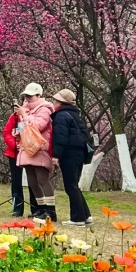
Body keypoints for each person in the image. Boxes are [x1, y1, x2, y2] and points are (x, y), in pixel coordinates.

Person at [50, 89, 91, 226]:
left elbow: (60, 137)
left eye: (55, 100)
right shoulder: (75, 115)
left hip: (69, 154)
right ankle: (86, 215)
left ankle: (77, 219)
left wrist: (56, 155)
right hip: (79, 153)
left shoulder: (61, 116)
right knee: (74, 185)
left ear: (60, 102)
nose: (53, 103)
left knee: (71, 186)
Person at [16, 83, 56, 221]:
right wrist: (18, 132)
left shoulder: (45, 109)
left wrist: (24, 115)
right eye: (26, 96)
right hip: (27, 149)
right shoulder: (26, 110)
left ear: (38, 95)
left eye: (30, 96)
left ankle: (51, 211)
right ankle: (41, 209)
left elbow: (38, 126)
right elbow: (23, 127)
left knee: (42, 179)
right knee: (32, 181)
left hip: (39, 148)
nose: (27, 99)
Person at [2, 103, 34, 217]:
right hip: (14, 153)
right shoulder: (14, 117)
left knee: (33, 181)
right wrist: (14, 145)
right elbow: (6, 132)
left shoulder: (34, 116)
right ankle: (17, 208)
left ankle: (35, 209)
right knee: (16, 181)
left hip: (30, 152)